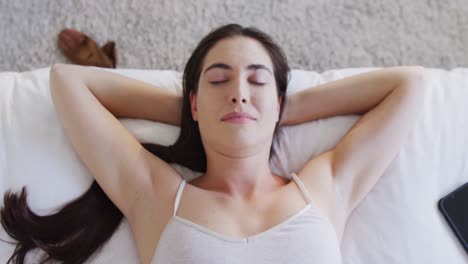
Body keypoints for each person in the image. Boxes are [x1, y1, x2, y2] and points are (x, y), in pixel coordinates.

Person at [0, 24, 425, 264]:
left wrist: (275, 110)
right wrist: (202, 110)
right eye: (219, 80)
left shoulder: (323, 187)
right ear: (194, 102)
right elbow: (67, 82)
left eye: (257, 81)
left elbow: (410, 83)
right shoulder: (158, 195)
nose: (238, 92)